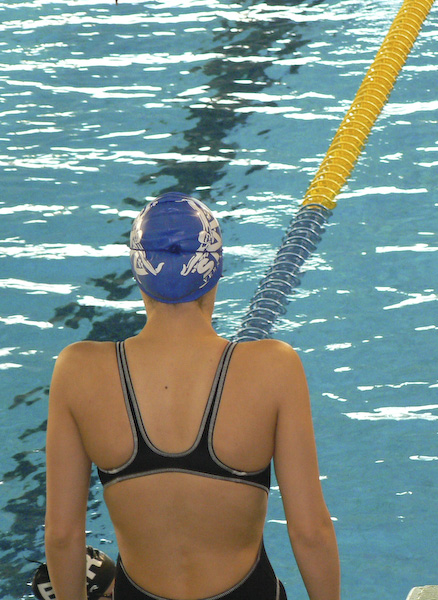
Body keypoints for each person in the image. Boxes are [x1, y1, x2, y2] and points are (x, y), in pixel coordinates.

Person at [45, 192, 340, 600]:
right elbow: (310, 531)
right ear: (214, 272)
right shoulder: (273, 368)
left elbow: (62, 535)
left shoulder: (78, 371)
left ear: (139, 273)